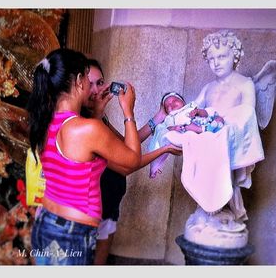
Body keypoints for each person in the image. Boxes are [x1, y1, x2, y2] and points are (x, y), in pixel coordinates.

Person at [27, 48, 141, 265]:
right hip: (69, 235)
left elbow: (75, 158)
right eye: (87, 78)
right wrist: (128, 111)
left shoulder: (45, 120)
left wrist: (97, 114)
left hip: (45, 222)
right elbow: (133, 160)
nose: (91, 86)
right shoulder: (86, 129)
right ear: (79, 80)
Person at [165, 30, 265, 247]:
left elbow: (247, 114)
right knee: (202, 164)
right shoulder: (208, 88)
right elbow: (193, 108)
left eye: (222, 57)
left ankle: (222, 212)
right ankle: (208, 210)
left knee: (223, 175)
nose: (216, 63)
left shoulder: (244, 84)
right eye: (211, 59)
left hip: (229, 143)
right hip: (207, 141)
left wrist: (221, 126)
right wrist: (178, 117)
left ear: (235, 56)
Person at [84, 59, 182, 265]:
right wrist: (164, 148)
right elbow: (128, 164)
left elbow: (128, 145)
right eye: (89, 83)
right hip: (91, 210)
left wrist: (160, 116)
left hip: (110, 203)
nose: (96, 89)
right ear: (78, 84)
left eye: (100, 82)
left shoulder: (99, 119)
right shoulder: (84, 125)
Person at [147, 92, 225, 178]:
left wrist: (198, 111)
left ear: (183, 102)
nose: (171, 104)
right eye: (167, 106)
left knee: (217, 117)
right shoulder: (170, 118)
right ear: (166, 111)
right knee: (187, 126)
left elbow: (206, 114)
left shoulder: (191, 106)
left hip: (204, 121)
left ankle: (217, 125)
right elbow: (168, 128)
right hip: (191, 127)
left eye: (175, 100)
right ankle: (205, 129)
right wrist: (175, 128)